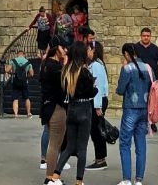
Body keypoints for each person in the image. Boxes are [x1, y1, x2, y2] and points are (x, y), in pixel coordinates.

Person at [51, 40, 97, 185]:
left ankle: (55, 176)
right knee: (82, 148)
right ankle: (79, 181)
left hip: (71, 108)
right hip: (84, 109)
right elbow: (90, 92)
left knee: (69, 146)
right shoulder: (84, 71)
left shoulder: (66, 70)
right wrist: (94, 87)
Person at [116, 42, 153, 185]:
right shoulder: (148, 67)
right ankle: (139, 179)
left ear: (126, 54)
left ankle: (126, 179)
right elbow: (153, 86)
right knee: (140, 144)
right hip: (144, 109)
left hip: (130, 108)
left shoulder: (127, 69)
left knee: (125, 143)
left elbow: (120, 90)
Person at [38, 42, 69, 175]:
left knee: (53, 143)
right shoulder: (55, 67)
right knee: (55, 144)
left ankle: (51, 176)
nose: (65, 51)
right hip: (56, 106)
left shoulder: (45, 64)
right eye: (63, 48)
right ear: (57, 49)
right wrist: (65, 64)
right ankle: (51, 177)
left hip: (47, 105)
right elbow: (65, 85)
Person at [134, 28, 158, 132]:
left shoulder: (155, 48)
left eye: (148, 36)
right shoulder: (136, 47)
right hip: (139, 79)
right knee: (141, 100)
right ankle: (141, 123)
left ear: (150, 36)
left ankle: (151, 123)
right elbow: (130, 61)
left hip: (153, 80)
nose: (146, 37)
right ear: (141, 36)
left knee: (152, 102)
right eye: (144, 35)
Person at [87, 41, 111, 170]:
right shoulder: (98, 64)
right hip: (100, 99)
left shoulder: (96, 65)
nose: (87, 52)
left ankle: (100, 159)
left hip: (98, 100)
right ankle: (100, 157)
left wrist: (97, 106)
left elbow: (97, 86)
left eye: (88, 49)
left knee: (96, 130)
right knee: (97, 128)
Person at [8, 52, 34, 117]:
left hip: (15, 81)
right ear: (24, 55)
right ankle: (28, 113)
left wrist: (11, 73)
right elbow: (32, 74)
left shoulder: (13, 61)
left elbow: (7, 70)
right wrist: (26, 76)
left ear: (17, 54)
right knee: (27, 98)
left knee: (15, 98)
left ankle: (16, 114)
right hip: (24, 82)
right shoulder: (28, 62)